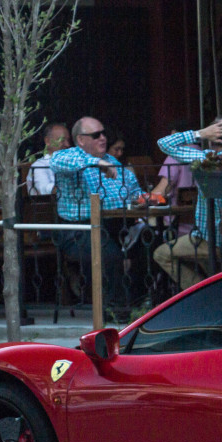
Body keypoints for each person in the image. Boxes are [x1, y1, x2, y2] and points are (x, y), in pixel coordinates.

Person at [50, 116, 142, 320]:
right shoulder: (69, 155)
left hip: (115, 225)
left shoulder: (113, 161)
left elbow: (134, 190)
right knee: (109, 254)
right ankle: (114, 312)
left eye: (103, 134)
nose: (103, 138)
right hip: (77, 230)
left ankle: (140, 303)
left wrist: (142, 199)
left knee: (152, 244)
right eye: (96, 135)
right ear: (81, 140)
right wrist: (97, 162)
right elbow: (58, 162)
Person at [152, 118, 222, 289]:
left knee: (161, 254)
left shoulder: (205, 158)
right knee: (212, 269)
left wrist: (200, 133)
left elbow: (163, 144)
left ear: (215, 136)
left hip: (211, 240)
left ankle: (201, 293)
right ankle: (218, 291)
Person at [25, 122, 69, 196]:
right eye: (62, 140)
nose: (67, 144)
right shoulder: (38, 166)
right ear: (47, 141)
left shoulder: (73, 163)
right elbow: (46, 192)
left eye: (68, 140)